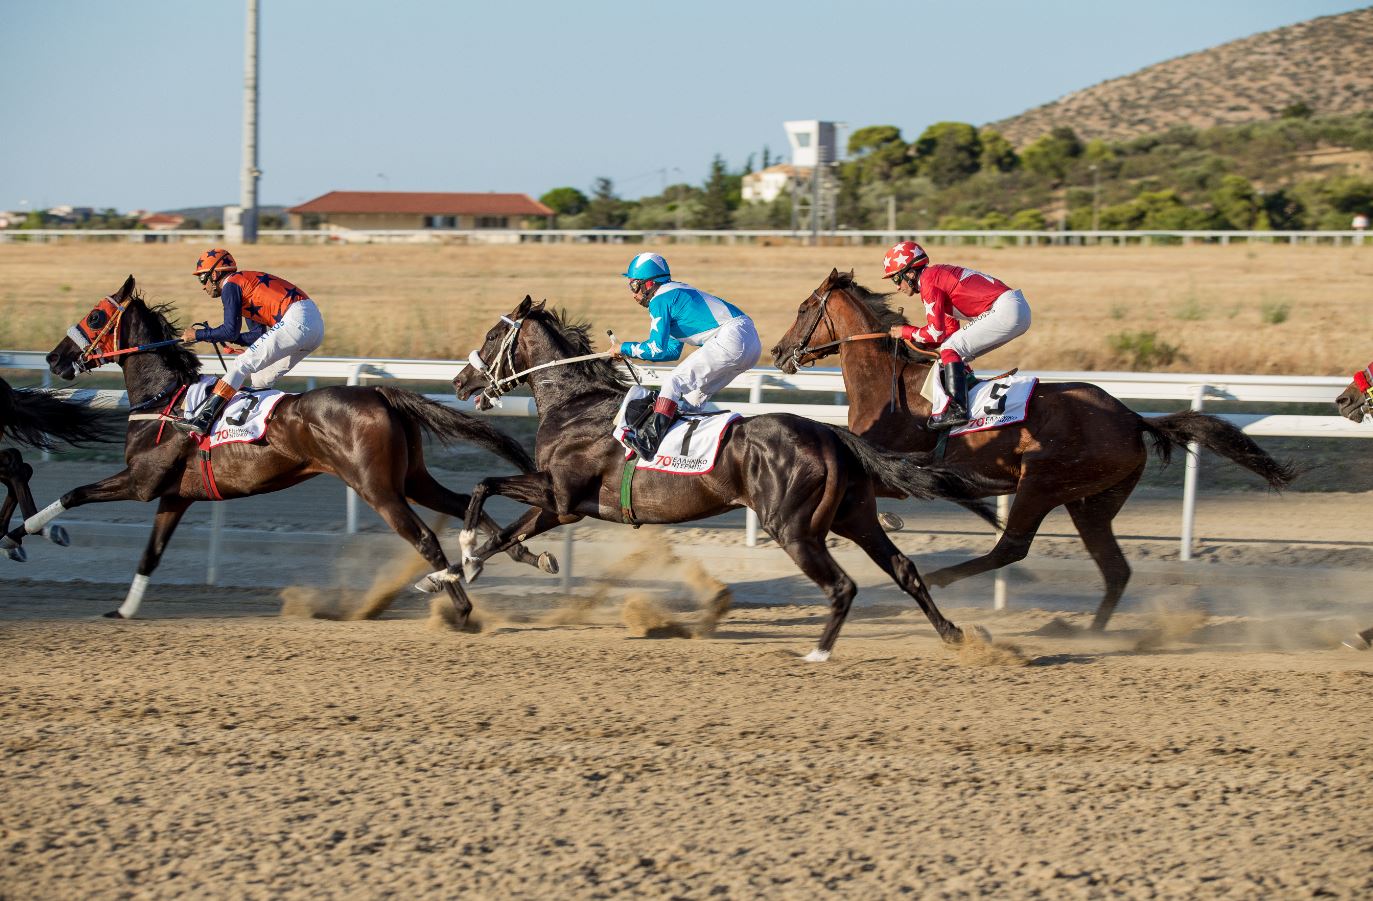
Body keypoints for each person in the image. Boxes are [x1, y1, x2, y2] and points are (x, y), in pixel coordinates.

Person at [611, 252, 761, 459]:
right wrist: (628, 352)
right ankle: (690, 452)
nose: (632, 294)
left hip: (732, 338)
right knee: (693, 398)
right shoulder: (674, 294)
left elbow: (656, 348)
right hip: (749, 342)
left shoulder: (660, 300)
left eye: (633, 286)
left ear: (648, 284)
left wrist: (624, 348)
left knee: (674, 381)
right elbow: (671, 351)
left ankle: (649, 442)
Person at [882, 241, 1031, 430]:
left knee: (951, 348)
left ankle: (956, 410)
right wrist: (919, 343)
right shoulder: (935, 277)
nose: (897, 287)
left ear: (910, 273)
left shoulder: (929, 281)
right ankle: (967, 395)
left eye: (896, 279)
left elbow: (935, 333)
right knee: (951, 351)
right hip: (1014, 309)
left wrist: (905, 331)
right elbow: (948, 333)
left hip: (1007, 309)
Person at [175, 249, 325, 435]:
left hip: (297, 320)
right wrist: (227, 338)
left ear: (214, 274)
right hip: (314, 326)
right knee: (260, 377)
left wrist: (197, 335)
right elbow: (255, 335)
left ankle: (204, 418)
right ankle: (266, 428)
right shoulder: (245, 286)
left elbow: (230, 330)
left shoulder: (230, 285)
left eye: (202, 278)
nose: (202, 286)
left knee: (242, 364)